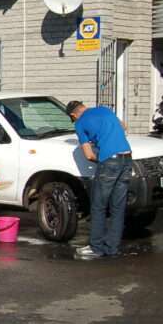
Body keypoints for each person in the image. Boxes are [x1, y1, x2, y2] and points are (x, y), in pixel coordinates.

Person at [66, 100, 132, 260]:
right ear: (84, 107)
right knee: (118, 206)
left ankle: (96, 248)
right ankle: (112, 248)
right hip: (127, 158)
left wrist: (102, 159)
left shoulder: (80, 123)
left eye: (73, 118)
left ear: (73, 115)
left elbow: (88, 155)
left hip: (110, 162)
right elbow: (123, 126)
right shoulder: (104, 109)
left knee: (99, 206)